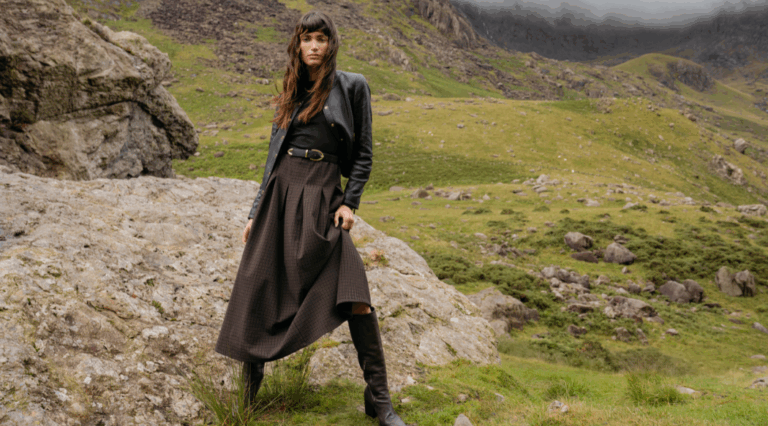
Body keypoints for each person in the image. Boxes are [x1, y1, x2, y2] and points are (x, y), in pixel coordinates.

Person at [214, 10, 406, 426]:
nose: (314, 46)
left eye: (321, 38)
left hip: (323, 195)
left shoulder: (352, 86)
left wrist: (349, 203)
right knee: (258, 288)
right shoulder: (291, 88)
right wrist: (255, 210)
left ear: (331, 43)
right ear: (297, 45)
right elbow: (273, 156)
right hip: (282, 193)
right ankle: (247, 403)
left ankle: (380, 401)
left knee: (355, 293)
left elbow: (364, 154)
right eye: (307, 39)